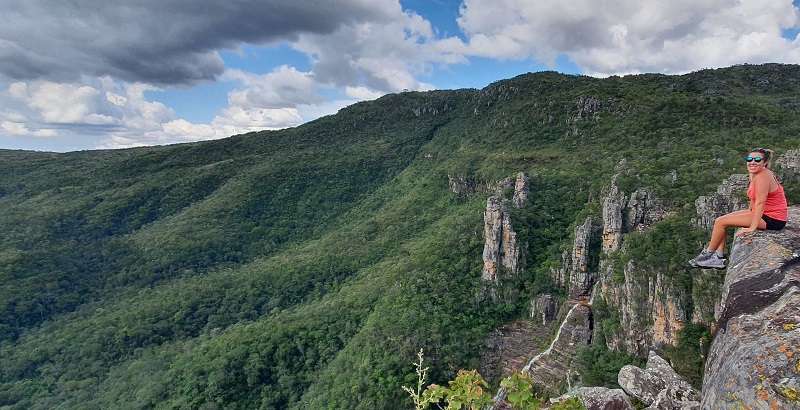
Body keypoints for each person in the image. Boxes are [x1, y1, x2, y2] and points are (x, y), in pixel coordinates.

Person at [689, 148, 788, 269]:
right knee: (720, 220)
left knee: (721, 222)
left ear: (765, 163)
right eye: (749, 159)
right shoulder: (755, 174)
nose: (752, 162)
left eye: (757, 159)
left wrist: (752, 227)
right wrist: (749, 213)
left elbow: (761, 202)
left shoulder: (763, 177)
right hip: (763, 213)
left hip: (773, 219)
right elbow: (754, 199)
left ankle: (707, 255)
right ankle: (718, 257)